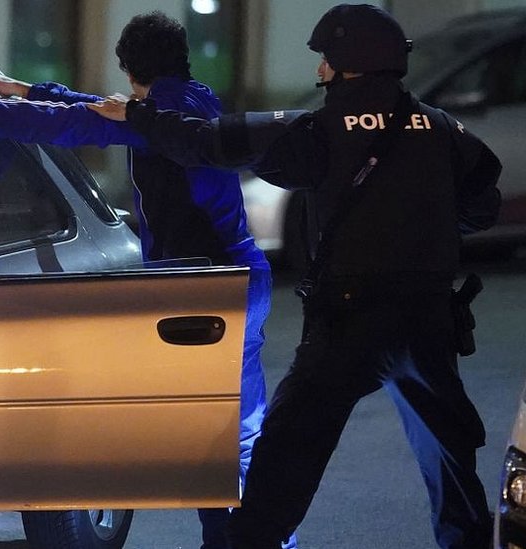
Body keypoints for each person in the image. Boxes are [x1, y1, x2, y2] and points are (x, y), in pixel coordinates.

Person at [90, 4, 501, 548]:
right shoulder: (443, 128)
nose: (319, 69)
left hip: (348, 322)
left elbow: (206, 143)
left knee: (283, 463)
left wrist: (138, 115)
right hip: (428, 320)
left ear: (351, 63)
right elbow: (483, 205)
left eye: (326, 59)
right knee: (451, 462)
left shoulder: (319, 130)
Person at [0, 11, 295, 549]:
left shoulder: (153, 118)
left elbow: (81, 125)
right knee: (238, 429)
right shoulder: (193, 101)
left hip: (206, 286)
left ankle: (240, 541)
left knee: (214, 434)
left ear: (129, 69)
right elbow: (100, 109)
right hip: (240, 275)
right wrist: (25, 90)